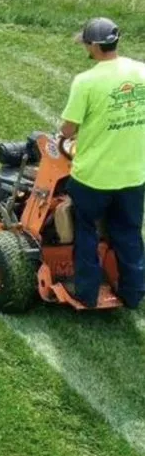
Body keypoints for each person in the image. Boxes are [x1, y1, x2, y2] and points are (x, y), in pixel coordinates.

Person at [60, 17, 145, 309]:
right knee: (129, 232)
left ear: (95, 46)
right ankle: (133, 292)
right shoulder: (141, 71)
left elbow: (68, 131)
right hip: (134, 173)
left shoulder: (86, 81)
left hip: (93, 176)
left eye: (85, 43)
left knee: (86, 230)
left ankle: (86, 292)